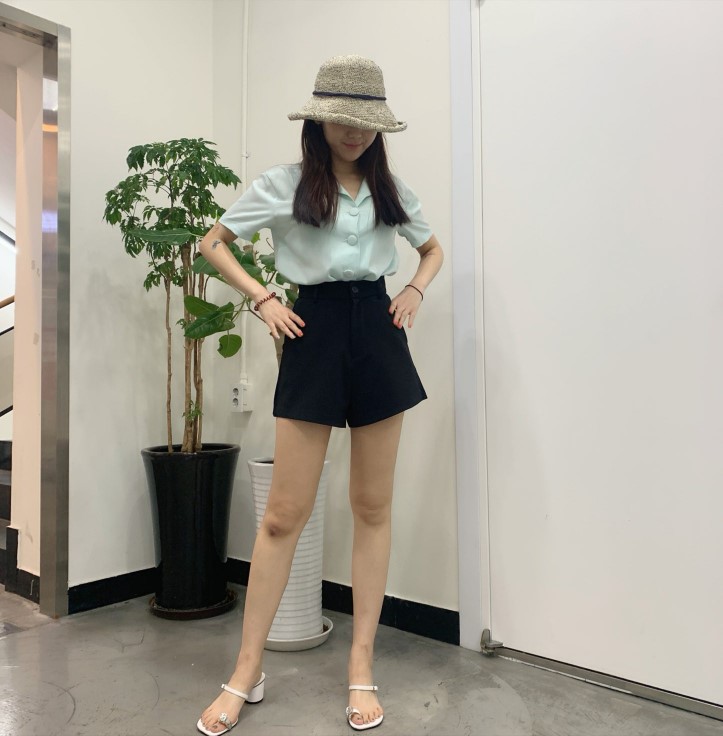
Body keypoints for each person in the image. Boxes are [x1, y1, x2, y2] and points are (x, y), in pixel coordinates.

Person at [196, 55, 443, 734]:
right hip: (313, 332)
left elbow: (431, 250)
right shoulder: (283, 185)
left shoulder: (390, 190)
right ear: (318, 120)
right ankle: (246, 671)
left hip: (379, 337)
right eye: (342, 119)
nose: (354, 133)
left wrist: (415, 289)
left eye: (366, 123)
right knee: (283, 514)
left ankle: (360, 665)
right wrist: (263, 299)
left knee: (372, 506)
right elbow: (213, 242)